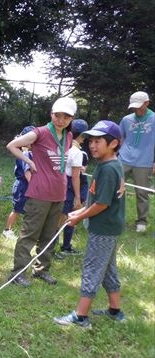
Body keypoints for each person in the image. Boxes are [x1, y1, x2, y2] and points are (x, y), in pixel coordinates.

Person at [54, 120, 126, 328]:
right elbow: (100, 200)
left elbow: (102, 204)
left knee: (93, 268)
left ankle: (81, 316)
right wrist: (81, 210)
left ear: (113, 144)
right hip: (109, 227)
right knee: (108, 269)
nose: (92, 145)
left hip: (103, 229)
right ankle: (115, 310)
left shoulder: (108, 169)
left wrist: (79, 217)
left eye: (98, 141)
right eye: (91, 141)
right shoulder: (110, 164)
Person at [6, 97, 76, 287]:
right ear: (51, 114)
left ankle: (41, 269)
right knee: (30, 234)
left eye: (66, 117)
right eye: (57, 115)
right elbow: (12, 145)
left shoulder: (69, 137)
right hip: (39, 193)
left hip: (59, 193)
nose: (61, 120)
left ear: (71, 118)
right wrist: (28, 161)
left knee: (50, 234)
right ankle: (17, 273)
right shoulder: (41, 132)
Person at [118, 91, 155, 233]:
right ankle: (114, 217)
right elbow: (119, 137)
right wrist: (115, 154)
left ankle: (141, 222)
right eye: (134, 107)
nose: (136, 110)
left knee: (142, 193)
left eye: (139, 106)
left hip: (145, 161)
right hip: (124, 159)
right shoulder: (126, 119)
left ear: (147, 103)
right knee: (116, 188)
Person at [56, 118, 90, 255]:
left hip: (60, 185)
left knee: (60, 218)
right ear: (82, 135)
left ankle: (63, 247)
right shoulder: (77, 153)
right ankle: (61, 248)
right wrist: (78, 196)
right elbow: (75, 177)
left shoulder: (63, 147)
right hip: (69, 188)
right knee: (64, 219)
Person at [2, 125, 34, 240]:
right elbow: (27, 173)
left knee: (27, 209)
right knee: (17, 209)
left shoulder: (28, 152)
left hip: (26, 185)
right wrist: (34, 186)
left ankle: (25, 231)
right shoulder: (24, 153)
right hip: (22, 185)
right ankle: (7, 230)